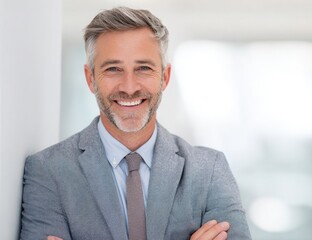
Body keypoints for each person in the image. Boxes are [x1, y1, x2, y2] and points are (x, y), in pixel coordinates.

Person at [20, 6, 251, 240]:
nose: (129, 87)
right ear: (91, 79)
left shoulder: (209, 170)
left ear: (165, 77)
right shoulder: (48, 171)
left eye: (143, 68)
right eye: (113, 69)